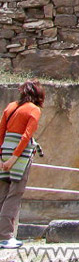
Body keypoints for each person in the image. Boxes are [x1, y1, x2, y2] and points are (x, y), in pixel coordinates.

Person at [0, 80, 44, 249]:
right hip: (20, 155)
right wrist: (14, 158)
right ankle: (5, 236)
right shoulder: (34, 110)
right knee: (14, 194)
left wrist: (2, 157)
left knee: (2, 193)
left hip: (4, 151)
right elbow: (26, 136)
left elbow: (1, 132)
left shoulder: (10, 107)